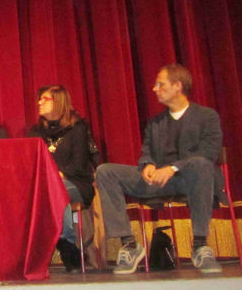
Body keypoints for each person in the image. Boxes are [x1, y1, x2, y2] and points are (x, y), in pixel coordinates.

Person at [96, 63, 225, 274]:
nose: (155, 89)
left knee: (202, 165)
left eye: (160, 84)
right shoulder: (155, 123)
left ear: (177, 86)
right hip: (157, 181)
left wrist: (173, 167)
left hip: (192, 180)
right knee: (105, 171)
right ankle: (129, 245)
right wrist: (148, 165)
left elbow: (209, 152)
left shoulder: (207, 116)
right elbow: (147, 151)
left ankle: (200, 244)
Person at [27, 85, 95, 273]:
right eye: (39, 99)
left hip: (77, 184)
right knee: (48, 192)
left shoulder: (78, 128)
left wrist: (55, 176)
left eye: (45, 99)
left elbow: (80, 165)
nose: (39, 102)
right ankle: (67, 246)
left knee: (57, 189)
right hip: (46, 188)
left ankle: (65, 242)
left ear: (59, 102)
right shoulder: (35, 132)